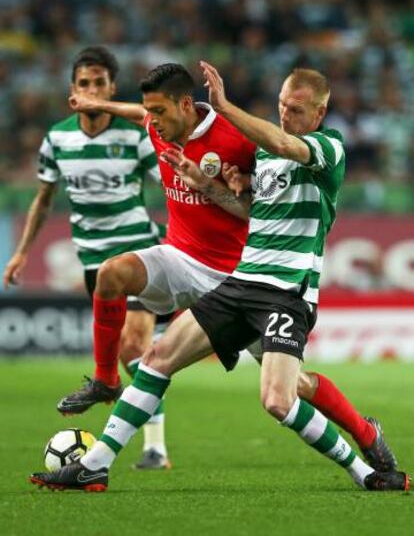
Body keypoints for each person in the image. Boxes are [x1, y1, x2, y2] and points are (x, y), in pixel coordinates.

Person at [29, 63, 406, 492]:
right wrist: (208, 186)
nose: (286, 116)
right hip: (241, 282)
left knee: (279, 400)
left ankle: (365, 465)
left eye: (297, 110)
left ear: (319, 114)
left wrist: (223, 107)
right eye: (282, 107)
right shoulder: (264, 158)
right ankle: (94, 465)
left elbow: (283, 141)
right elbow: (249, 213)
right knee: (156, 360)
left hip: (286, 294)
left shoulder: (329, 148)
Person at [3, 46, 171, 470]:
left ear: (112, 88)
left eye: (100, 83)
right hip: (94, 260)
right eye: (85, 83)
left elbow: (171, 184)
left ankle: (154, 448)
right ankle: (151, 441)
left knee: (134, 345)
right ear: (73, 90)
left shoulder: (134, 135)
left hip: (137, 251)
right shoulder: (58, 138)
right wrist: (22, 253)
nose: (93, 90)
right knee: (129, 355)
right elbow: (44, 199)